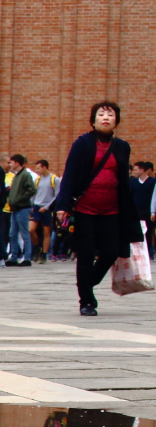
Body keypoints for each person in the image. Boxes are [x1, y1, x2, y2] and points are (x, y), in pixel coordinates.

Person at [52, 101, 138, 316]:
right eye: (101, 114)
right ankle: (87, 301)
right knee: (86, 253)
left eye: (110, 114)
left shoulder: (122, 146)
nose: (106, 117)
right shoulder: (82, 143)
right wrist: (63, 205)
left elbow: (123, 181)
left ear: (117, 120)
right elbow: (70, 174)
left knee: (111, 252)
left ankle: (87, 282)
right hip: (85, 209)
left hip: (112, 209)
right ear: (93, 120)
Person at [1, 153, 36, 265]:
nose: (10, 164)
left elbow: (31, 190)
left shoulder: (25, 175)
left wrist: (19, 199)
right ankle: (14, 257)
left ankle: (27, 258)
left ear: (17, 163)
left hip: (22, 208)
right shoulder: (17, 175)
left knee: (24, 233)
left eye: (11, 162)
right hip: (15, 208)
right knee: (13, 233)